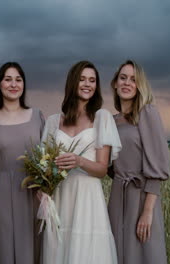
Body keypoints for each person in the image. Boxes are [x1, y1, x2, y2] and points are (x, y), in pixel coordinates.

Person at [41, 60, 121, 264]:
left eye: (92, 80)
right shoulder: (52, 121)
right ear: (73, 83)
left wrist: (78, 161)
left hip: (87, 199)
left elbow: (102, 169)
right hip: (60, 196)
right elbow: (44, 165)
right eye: (83, 79)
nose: (88, 84)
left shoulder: (102, 118)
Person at [0, 62, 45, 264]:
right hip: (3, 195)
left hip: (35, 194)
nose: (13, 84)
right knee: (5, 248)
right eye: (8, 79)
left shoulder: (37, 116)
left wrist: (48, 188)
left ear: (24, 84)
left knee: (35, 248)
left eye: (18, 79)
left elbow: (48, 156)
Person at [107, 59, 170, 264]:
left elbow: (157, 166)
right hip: (117, 196)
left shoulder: (147, 113)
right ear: (115, 83)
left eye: (133, 80)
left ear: (139, 86)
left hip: (141, 198)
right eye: (123, 78)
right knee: (117, 253)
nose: (127, 83)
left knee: (146, 254)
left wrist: (148, 211)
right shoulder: (111, 121)